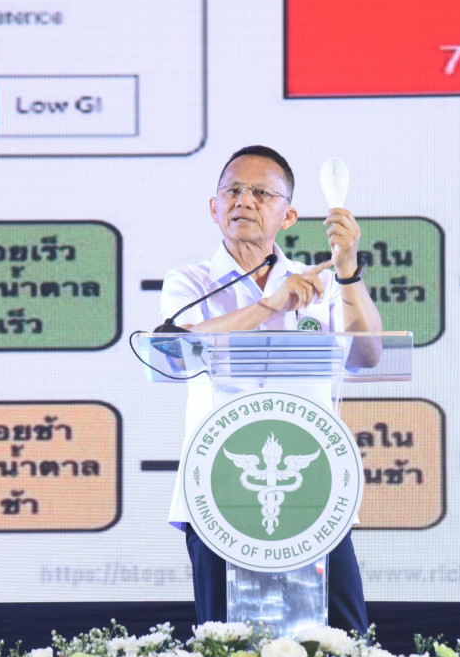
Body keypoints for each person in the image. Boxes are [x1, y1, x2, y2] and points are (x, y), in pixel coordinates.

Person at [159, 145, 383, 632]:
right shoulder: (190, 282)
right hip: (214, 487)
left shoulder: (318, 282)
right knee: (224, 648)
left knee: (344, 643)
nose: (245, 200)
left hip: (314, 488)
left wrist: (347, 266)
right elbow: (178, 347)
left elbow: (367, 354)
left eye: (261, 193)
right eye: (233, 190)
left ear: (289, 216)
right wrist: (271, 305)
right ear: (214, 207)